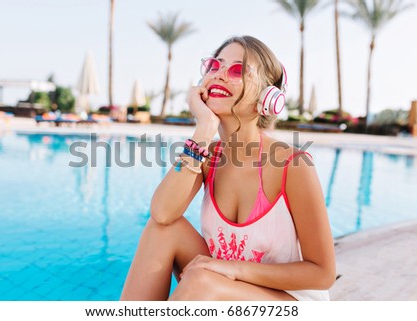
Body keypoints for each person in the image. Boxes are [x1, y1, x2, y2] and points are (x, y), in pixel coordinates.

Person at [120, 35, 336, 301]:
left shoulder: (292, 163)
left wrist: (234, 269)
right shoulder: (205, 157)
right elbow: (162, 213)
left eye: (237, 70)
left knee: (202, 281)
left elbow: (322, 273)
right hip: (225, 287)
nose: (219, 75)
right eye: (214, 66)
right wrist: (204, 128)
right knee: (162, 231)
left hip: (290, 300)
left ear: (268, 97)